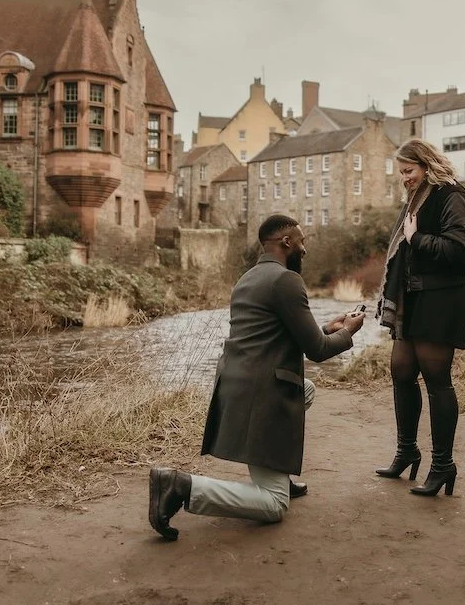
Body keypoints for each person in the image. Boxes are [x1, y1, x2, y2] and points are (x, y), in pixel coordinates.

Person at [148, 214, 366, 540]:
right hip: (260, 394)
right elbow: (317, 351)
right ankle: (182, 486)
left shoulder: (247, 279)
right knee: (274, 506)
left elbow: (280, 335)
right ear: (286, 242)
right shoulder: (286, 281)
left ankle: (278, 474)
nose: (304, 250)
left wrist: (325, 328)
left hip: (235, 386)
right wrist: (348, 332)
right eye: (301, 241)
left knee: (303, 389)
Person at [375, 139, 465, 497]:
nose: (404, 179)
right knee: (401, 370)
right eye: (401, 173)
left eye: (408, 171)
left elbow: (461, 251)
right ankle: (407, 451)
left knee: (437, 378)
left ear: (427, 164)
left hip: (441, 298)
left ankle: (443, 464)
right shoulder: (416, 201)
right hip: (413, 299)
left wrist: (417, 238)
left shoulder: (452, 196)